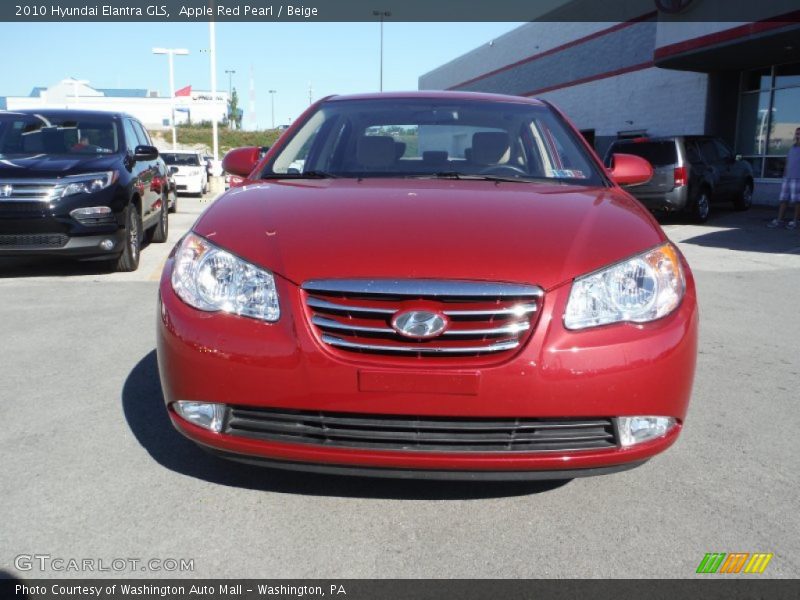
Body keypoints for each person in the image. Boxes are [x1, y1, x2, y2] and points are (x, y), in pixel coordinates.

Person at [768, 127, 800, 230]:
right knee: (783, 199)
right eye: (797, 133)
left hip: (798, 178)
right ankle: (779, 220)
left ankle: (795, 221)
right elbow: (788, 161)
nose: (798, 135)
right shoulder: (792, 147)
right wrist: (785, 174)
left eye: (799, 133)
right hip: (788, 178)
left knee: (797, 201)